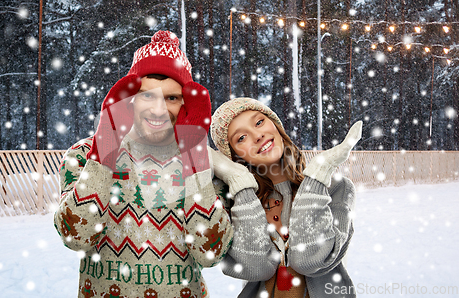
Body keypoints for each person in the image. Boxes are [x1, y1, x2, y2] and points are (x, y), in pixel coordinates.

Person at [54, 30, 236, 298]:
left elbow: (210, 254)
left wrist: (194, 157)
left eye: (171, 97)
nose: (158, 109)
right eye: (147, 95)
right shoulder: (82, 155)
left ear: (186, 103)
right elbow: (76, 237)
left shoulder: (206, 163)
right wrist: (106, 146)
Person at [209, 97, 361, 298]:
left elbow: (310, 260)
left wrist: (318, 174)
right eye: (241, 138)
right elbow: (254, 267)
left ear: (276, 125)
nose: (257, 135)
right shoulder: (234, 201)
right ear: (235, 156)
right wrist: (239, 181)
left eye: (259, 122)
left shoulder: (336, 188)